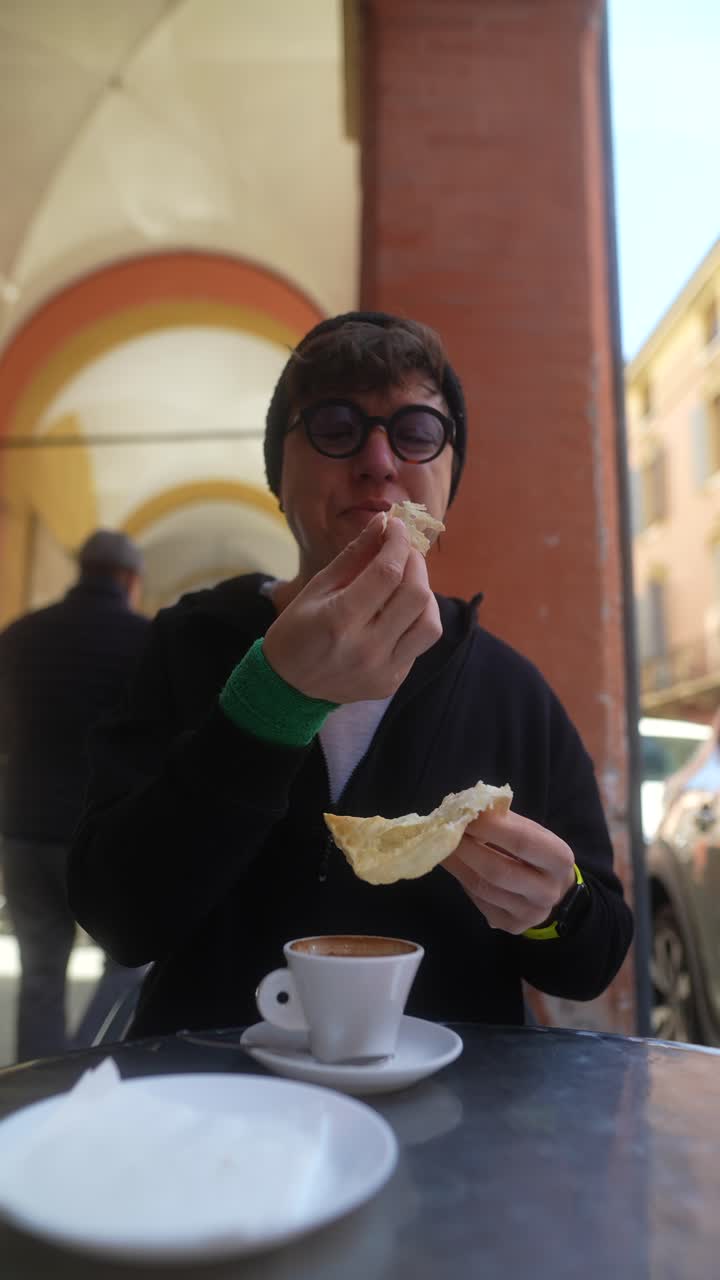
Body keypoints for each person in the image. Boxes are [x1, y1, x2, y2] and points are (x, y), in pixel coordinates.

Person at [68, 313, 633, 1039]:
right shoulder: (186, 646)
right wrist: (272, 702)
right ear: (279, 472)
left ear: (448, 473)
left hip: (455, 1119)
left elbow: (593, 959)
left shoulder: (510, 689)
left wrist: (559, 908)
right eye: (336, 425)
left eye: (417, 430)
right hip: (216, 1104)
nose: (377, 461)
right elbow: (119, 920)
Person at [0, 530, 150, 1059]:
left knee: (40, 968)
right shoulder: (143, 640)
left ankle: (37, 1085)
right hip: (98, 833)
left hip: (21, 826)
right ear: (130, 580)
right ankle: (83, 1070)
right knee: (127, 960)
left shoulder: (19, 636)